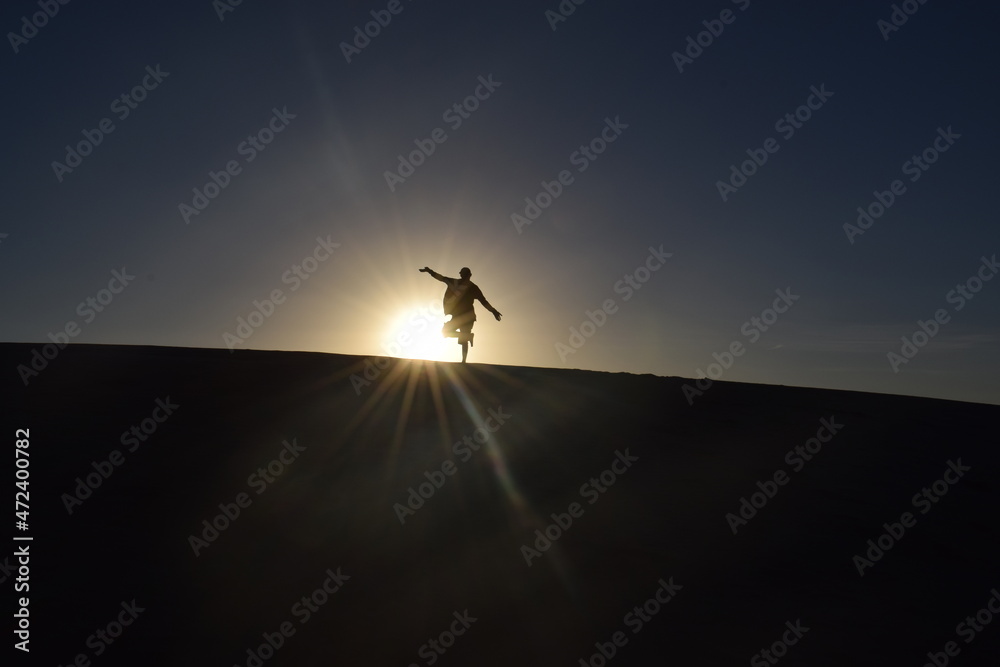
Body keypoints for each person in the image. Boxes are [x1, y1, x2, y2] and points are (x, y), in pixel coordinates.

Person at [419, 266, 501, 363]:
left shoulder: (466, 286)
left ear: (466, 275)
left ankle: (463, 360)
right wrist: (429, 271)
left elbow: (483, 301)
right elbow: (441, 278)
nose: (461, 274)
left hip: (465, 316)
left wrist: (494, 311)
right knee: (453, 334)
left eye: (462, 273)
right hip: (464, 316)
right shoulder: (461, 284)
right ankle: (467, 338)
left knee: (462, 338)